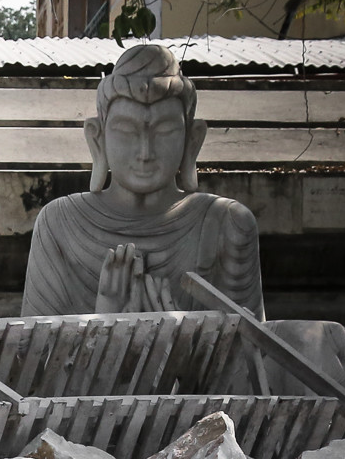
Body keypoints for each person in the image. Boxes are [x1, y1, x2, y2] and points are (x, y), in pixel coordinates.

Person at [21, 44, 263, 317]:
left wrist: (177, 340)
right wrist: (105, 324)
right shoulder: (59, 224)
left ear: (192, 139)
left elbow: (251, 353)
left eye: (166, 130)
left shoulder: (226, 223)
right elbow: (32, 356)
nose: (145, 152)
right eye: (126, 130)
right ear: (97, 138)